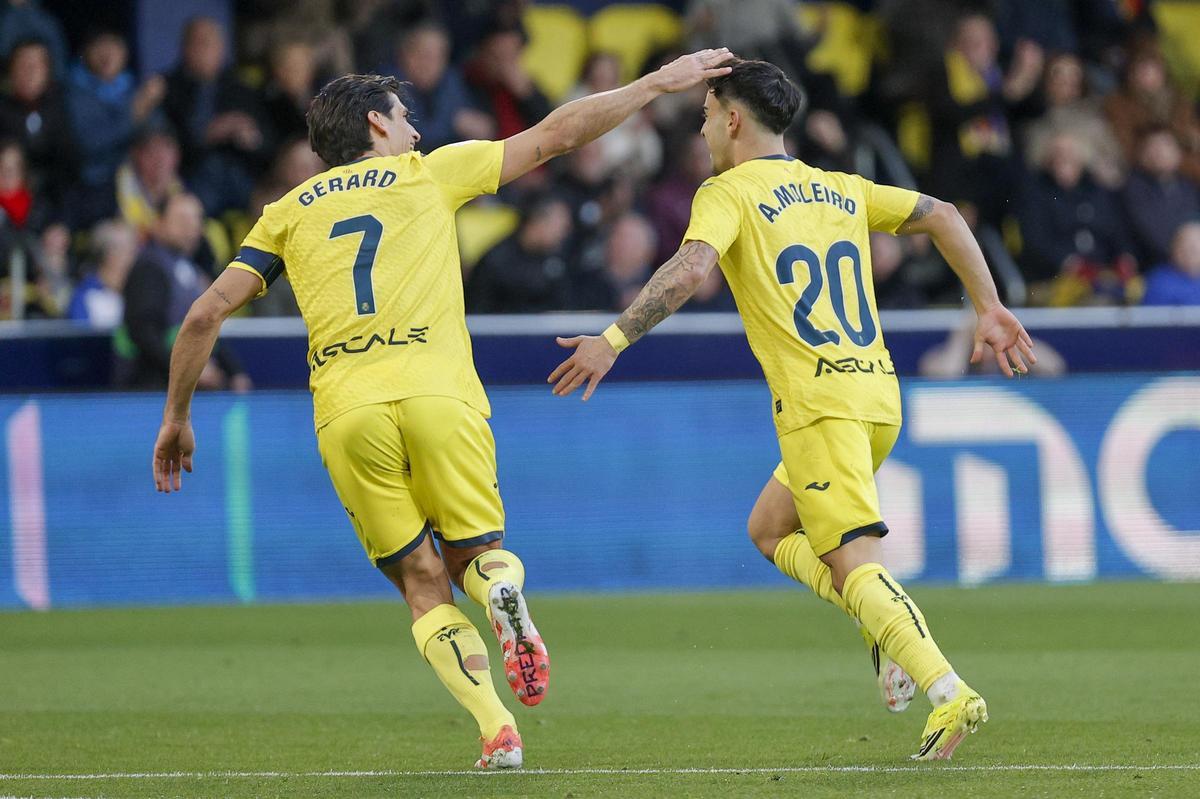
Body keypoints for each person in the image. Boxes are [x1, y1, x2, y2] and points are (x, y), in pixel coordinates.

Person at [151, 52, 736, 769]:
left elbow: (205, 313)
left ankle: (496, 728)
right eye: (405, 117)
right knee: (477, 556)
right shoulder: (430, 173)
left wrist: (178, 416)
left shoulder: (284, 212)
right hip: (439, 395)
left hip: (348, 411)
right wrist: (650, 85)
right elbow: (557, 135)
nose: (416, 130)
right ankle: (504, 593)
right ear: (376, 123)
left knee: (420, 580)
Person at [549, 58, 1035, 761]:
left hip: (818, 403)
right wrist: (988, 306)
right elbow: (946, 217)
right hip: (876, 394)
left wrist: (614, 338)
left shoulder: (728, 191)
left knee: (851, 557)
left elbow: (689, 271)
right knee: (770, 528)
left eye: (708, 113)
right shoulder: (838, 187)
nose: (706, 126)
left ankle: (947, 689)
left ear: (734, 118)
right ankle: (882, 626)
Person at [121, 192, 248, 390]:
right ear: (159, 223)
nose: (192, 227)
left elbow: (206, 326)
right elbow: (144, 332)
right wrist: (188, 369)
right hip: (152, 390)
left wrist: (235, 372)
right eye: (182, 219)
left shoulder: (191, 270)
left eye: (197, 219)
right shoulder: (149, 268)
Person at [67, 219, 137, 327]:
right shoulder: (85, 297)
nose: (135, 256)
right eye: (129, 250)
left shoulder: (138, 291)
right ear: (109, 254)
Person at [1142, 222, 1200, 306]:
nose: (1188, 254)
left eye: (1193, 249)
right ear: (1174, 248)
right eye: (1184, 247)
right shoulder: (1158, 282)